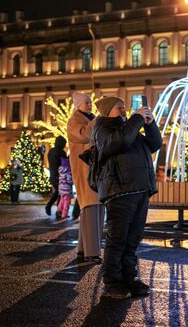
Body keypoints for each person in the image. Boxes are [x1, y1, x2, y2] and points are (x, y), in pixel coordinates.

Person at [93, 96, 162, 299]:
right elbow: (118, 142)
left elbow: (155, 143)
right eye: (118, 108)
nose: (123, 111)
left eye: (124, 107)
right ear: (107, 112)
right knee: (117, 240)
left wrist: (149, 124)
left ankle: (129, 278)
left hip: (140, 190)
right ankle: (113, 282)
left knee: (132, 240)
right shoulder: (103, 129)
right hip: (120, 192)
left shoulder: (129, 129)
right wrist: (136, 119)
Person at [67, 92, 104, 263]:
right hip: (84, 170)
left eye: (90, 102)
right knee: (91, 207)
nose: (90, 105)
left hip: (93, 169)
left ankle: (84, 249)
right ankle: (92, 252)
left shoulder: (89, 118)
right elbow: (84, 135)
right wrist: (96, 121)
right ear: (78, 105)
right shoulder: (75, 120)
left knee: (93, 208)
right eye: (86, 102)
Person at [45, 136, 67, 217]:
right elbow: (64, 164)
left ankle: (54, 208)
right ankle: (56, 210)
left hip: (53, 175)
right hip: (60, 176)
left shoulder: (51, 151)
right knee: (59, 193)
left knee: (58, 192)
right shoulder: (61, 152)